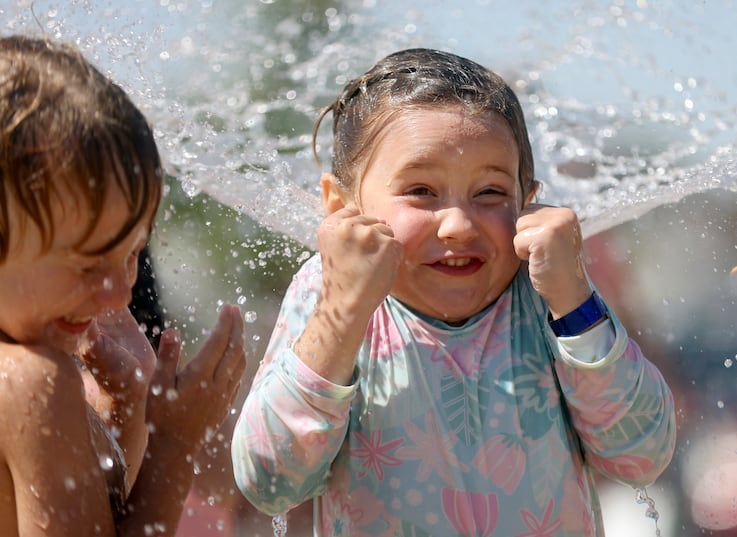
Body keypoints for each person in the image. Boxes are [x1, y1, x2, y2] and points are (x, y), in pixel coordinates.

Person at [231, 48, 676, 536]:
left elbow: (640, 456)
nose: (460, 226)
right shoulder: (328, 294)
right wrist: (342, 310)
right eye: (421, 191)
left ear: (528, 202)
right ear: (342, 207)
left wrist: (575, 304)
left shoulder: (547, 295)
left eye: (490, 193)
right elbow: (270, 480)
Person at [0, 35, 246, 536]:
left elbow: (105, 513)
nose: (118, 293)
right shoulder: (31, 382)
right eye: (89, 264)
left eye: (133, 254)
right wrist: (176, 445)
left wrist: (124, 409)